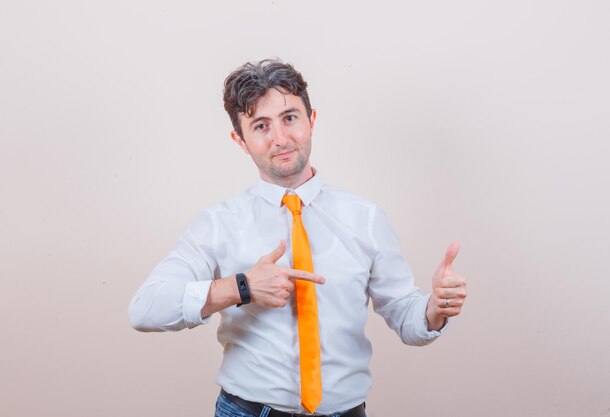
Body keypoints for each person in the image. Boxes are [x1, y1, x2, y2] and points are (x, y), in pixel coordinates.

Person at [128, 59, 468, 417]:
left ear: (312, 120)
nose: (281, 138)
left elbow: (406, 316)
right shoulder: (217, 224)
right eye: (261, 125)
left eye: (290, 118)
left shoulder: (366, 218)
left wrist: (434, 308)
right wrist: (241, 287)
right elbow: (145, 308)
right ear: (240, 141)